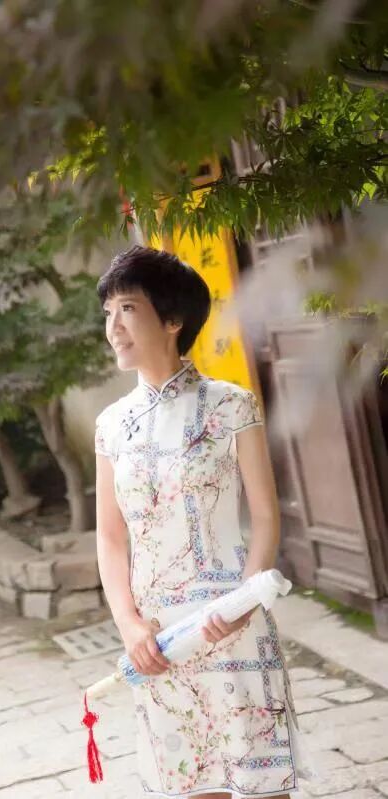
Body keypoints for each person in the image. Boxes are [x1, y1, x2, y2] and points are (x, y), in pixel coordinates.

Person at [94, 246, 303, 798]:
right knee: (193, 786)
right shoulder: (111, 426)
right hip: (158, 636)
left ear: (173, 319)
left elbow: (265, 515)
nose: (113, 327)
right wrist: (129, 625)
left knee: (261, 785)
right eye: (108, 313)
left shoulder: (232, 406)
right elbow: (110, 538)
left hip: (230, 618)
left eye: (128, 309)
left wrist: (246, 601)